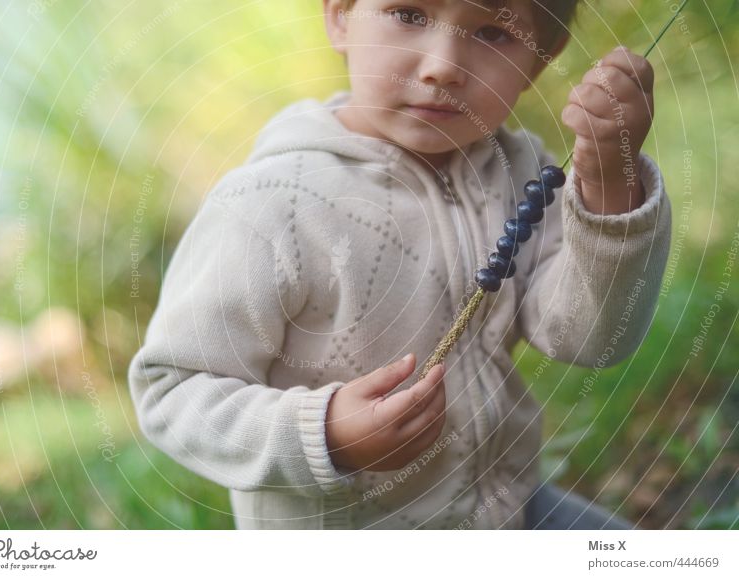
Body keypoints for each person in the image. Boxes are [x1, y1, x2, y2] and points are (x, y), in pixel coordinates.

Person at [128, 0, 671, 529]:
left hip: (510, 510)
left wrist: (608, 187)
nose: (442, 68)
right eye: (409, 15)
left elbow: (591, 339)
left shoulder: (522, 173)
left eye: (492, 32)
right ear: (340, 16)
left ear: (541, 58)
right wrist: (324, 434)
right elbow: (173, 390)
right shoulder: (271, 201)